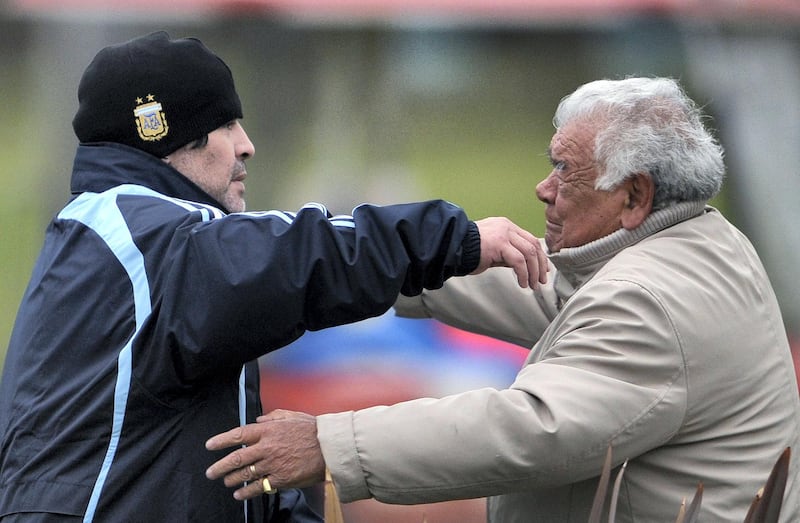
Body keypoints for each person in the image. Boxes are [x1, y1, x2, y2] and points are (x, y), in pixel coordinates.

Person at [0, 31, 548, 522]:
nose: (246, 145)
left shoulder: (131, 241)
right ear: (169, 137)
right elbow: (296, 253)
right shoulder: (145, 233)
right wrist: (449, 239)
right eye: (224, 124)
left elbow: (202, 454)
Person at [205, 77, 800, 522]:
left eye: (565, 171)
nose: (542, 189)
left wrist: (327, 444)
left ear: (634, 196)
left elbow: (529, 430)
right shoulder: (698, 243)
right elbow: (557, 298)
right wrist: (392, 257)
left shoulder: (648, 300)